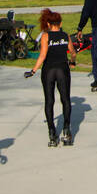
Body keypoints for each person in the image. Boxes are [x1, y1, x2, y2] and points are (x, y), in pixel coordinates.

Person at [25, 9, 75, 146]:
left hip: (48, 70)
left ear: (48, 23)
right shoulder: (65, 35)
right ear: (60, 23)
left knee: (49, 100)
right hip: (63, 69)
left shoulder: (45, 36)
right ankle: (66, 130)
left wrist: (33, 70)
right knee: (65, 99)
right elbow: (72, 52)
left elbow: (43, 55)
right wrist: (72, 61)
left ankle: (52, 133)